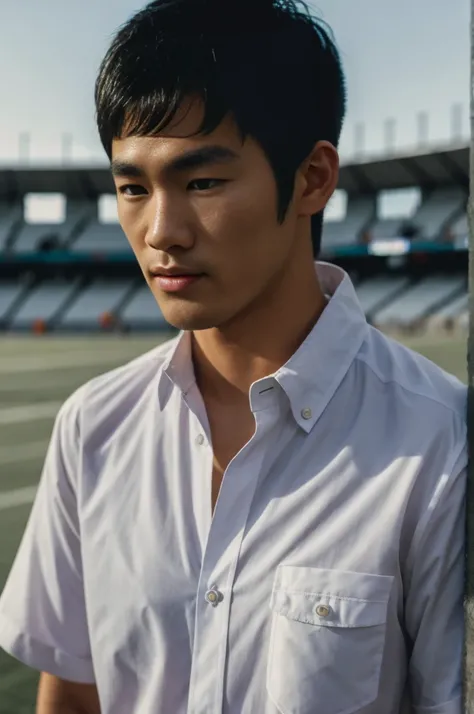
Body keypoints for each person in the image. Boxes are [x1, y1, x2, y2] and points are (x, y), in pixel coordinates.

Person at [0, 1, 467, 712]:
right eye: (132, 187)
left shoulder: (440, 441)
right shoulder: (92, 427)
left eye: (202, 182)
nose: (161, 231)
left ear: (312, 179)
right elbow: (71, 693)